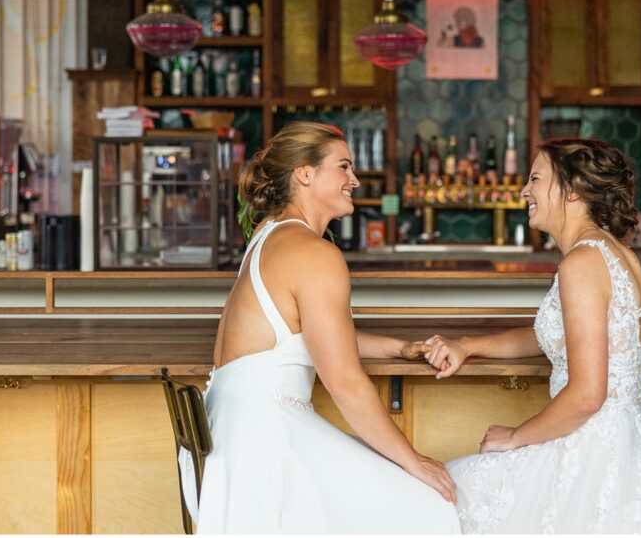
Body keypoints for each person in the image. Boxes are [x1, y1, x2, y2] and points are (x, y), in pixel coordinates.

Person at [186, 121, 460, 533]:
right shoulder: (315, 254)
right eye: (344, 167)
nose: (355, 179)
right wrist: (413, 460)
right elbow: (345, 383)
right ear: (305, 174)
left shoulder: (268, 234)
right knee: (429, 507)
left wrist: (397, 347)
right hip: (269, 446)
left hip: (234, 435)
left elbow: (306, 335)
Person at [422, 138, 641, 534]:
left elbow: (586, 395)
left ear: (573, 188)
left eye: (535, 179)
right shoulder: (617, 254)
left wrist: (515, 437)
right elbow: (555, 336)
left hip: (589, 454)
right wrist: (467, 345)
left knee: (439, 497)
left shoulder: (581, 263)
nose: (524, 191)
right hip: (628, 446)